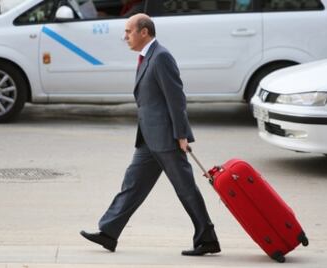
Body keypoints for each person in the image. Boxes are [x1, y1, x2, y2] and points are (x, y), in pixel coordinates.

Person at [80, 13, 221, 256]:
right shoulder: (147, 57)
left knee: (186, 189)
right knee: (132, 185)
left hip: (167, 138)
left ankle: (207, 238)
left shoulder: (161, 57)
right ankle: (109, 232)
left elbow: (176, 99)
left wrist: (181, 135)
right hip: (148, 138)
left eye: (128, 31)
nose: (125, 37)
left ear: (144, 32)